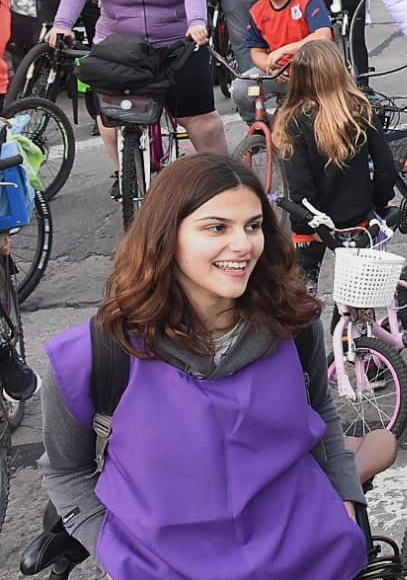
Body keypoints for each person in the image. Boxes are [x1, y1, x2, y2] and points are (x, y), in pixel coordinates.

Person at [37, 154, 368, 580]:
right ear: (166, 235)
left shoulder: (292, 324)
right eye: (216, 227)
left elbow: (321, 410)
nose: (244, 245)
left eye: (253, 226)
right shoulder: (94, 355)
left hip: (315, 558)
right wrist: (110, 548)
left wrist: (346, 498)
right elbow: (66, 470)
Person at [49, 0, 229, 180]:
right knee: (109, 119)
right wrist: (62, 24)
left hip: (175, 45)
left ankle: (224, 181)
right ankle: (127, 176)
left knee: (201, 119)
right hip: (120, 49)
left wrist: (196, 22)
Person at [275, 40, 397, 290]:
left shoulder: (292, 121)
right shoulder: (360, 110)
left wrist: (307, 222)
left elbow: (300, 186)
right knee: (359, 294)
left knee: (302, 295)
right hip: (356, 218)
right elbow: (385, 166)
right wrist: (380, 199)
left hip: (313, 223)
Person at [230, 0, 334, 123]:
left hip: (312, 72)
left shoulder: (309, 0)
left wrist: (284, 50)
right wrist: (270, 67)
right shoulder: (257, 11)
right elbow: (256, 50)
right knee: (240, 89)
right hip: (278, 74)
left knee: (298, 121)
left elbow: (323, 35)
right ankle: (261, 130)